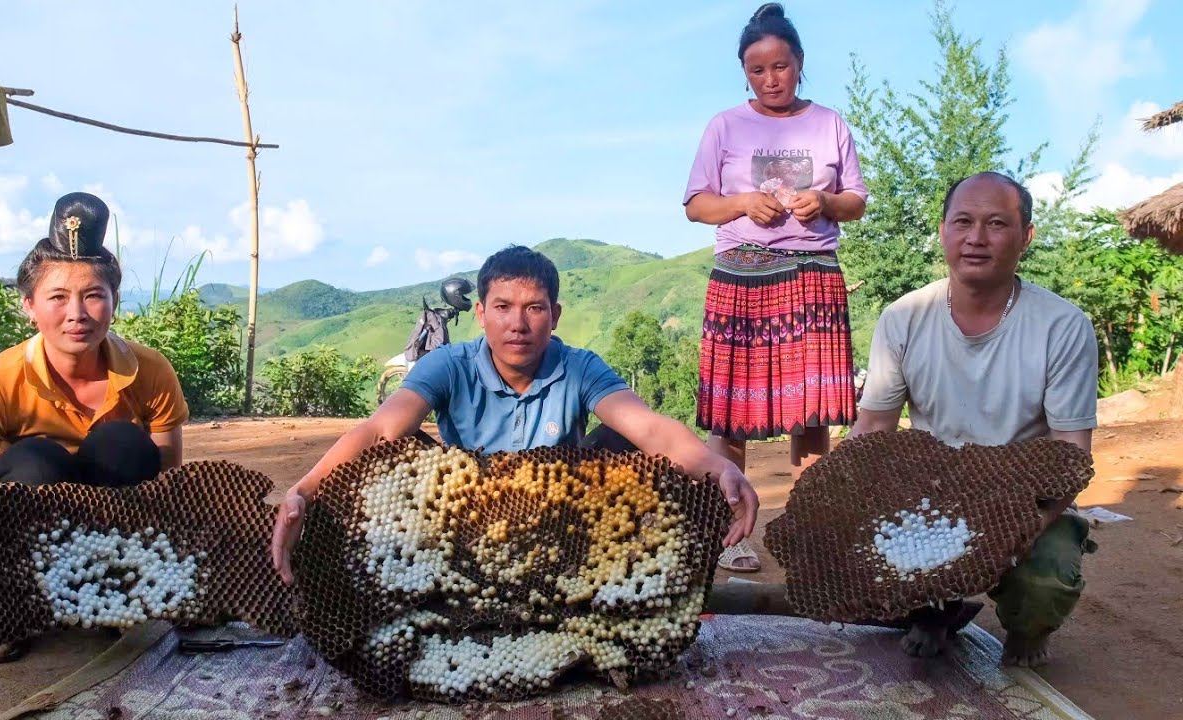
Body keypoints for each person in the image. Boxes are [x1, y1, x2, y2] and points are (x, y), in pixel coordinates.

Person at [271, 246, 759, 584]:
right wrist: (304, 490)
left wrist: (718, 466)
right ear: (481, 313)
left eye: (534, 308)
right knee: (397, 451)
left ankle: (614, 571)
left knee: (623, 442)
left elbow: (648, 426)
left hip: (564, 512)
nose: (518, 324)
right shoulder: (449, 364)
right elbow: (379, 428)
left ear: (556, 314)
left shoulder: (578, 366)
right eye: (503, 307)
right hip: (461, 512)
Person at [851, 171, 1099, 667]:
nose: (976, 238)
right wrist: (841, 510)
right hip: (931, 493)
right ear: (943, 230)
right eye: (962, 221)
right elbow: (874, 429)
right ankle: (931, 613)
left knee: (1044, 583)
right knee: (862, 553)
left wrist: (1019, 526)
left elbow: (1070, 453)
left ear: (1026, 236)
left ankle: (1027, 626)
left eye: (996, 224)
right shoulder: (904, 316)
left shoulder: (1063, 326)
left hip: (1024, 496)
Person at [683, 3, 868, 572]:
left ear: (800, 63)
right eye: (757, 70)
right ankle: (731, 534)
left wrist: (827, 201)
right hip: (741, 275)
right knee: (730, 413)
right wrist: (741, 202)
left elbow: (856, 201)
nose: (770, 79)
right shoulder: (724, 126)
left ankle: (807, 534)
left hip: (812, 277)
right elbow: (696, 205)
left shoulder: (830, 123)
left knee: (810, 414)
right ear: (744, 72)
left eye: (780, 67)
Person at [0, 192, 188, 528]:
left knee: (123, 444)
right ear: (29, 305)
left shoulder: (151, 371)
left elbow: (168, 484)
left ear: (114, 300)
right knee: (35, 461)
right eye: (57, 297)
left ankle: (123, 567)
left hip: (121, 531)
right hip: (26, 536)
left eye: (93, 296)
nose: (77, 314)